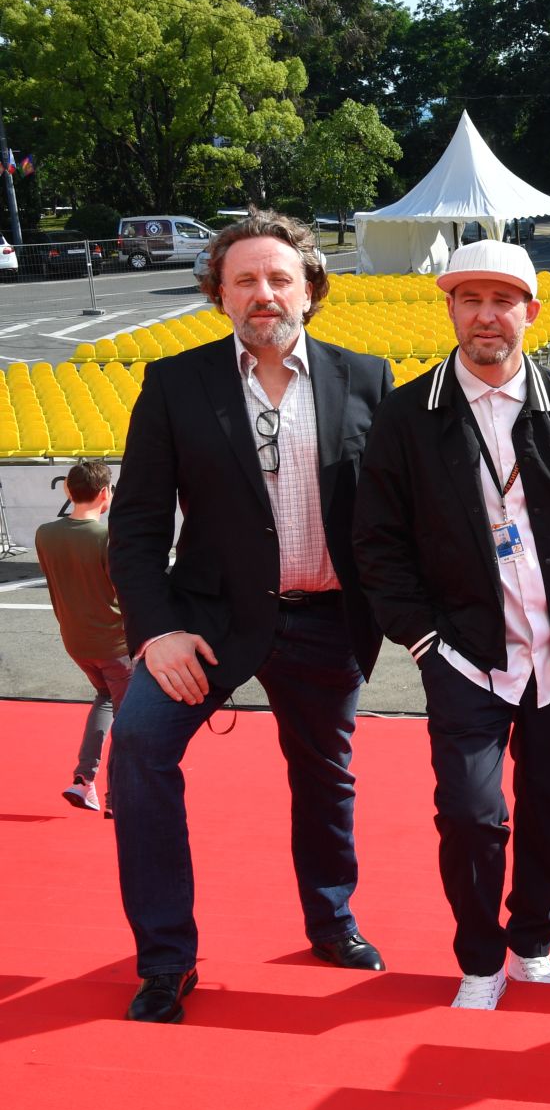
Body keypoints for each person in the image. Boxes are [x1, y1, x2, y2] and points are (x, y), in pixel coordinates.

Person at [107, 209, 393, 1024]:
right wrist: (155, 631)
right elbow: (135, 526)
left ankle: (331, 920)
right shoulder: (174, 383)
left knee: (325, 780)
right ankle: (167, 958)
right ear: (219, 295)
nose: (261, 293)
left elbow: (398, 515)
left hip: (327, 618)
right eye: (243, 280)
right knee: (137, 749)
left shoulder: (366, 378)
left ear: (310, 289)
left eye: (277, 279)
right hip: (205, 623)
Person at [353, 239, 550, 1011]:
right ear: (450, 310)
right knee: (471, 813)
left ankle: (533, 941)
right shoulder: (407, 414)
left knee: (548, 805)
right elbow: (378, 539)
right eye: (470, 300)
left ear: (531, 312)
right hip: (465, 653)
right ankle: (480, 959)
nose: (486, 317)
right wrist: (423, 638)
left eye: (502, 301)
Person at [38, 461, 129, 815]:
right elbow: (126, 590)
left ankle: (83, 779)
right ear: (106, 494)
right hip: (116, 645)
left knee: (105, 698)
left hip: (76, 642)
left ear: (67, 490)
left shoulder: (45, 534)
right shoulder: (108, 538)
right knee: (129, 717)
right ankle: (115, 797)